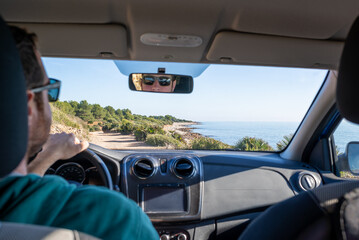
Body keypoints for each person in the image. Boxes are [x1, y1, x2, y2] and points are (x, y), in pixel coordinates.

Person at [0, 25, 159, 240]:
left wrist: (49, 156)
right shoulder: (117, 219)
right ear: (26, 109)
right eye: (50, 91)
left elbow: (15, 198)